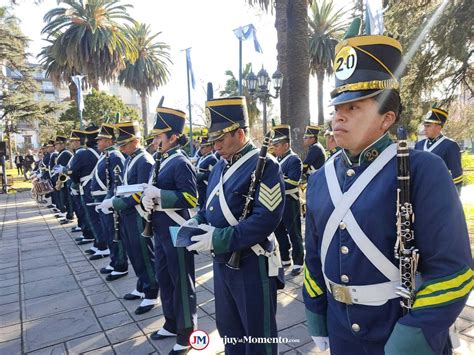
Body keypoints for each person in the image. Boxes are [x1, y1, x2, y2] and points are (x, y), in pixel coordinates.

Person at [303, 29, 472, 355]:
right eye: (338, 106)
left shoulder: (423, 169)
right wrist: (316, 312)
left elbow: (454, 273)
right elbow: (313, 260)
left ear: (387, 119)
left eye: (354, 107)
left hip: (399, 328)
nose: (339, 115)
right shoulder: (321, 178)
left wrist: (411, 336)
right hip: (341, 332)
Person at [183, 96, 285, 354]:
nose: (215, 145)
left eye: (220, 139)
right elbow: (209, 206)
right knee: (231, 332)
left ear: (239, 134)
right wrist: (197, 220)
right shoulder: (220, 165)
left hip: (252, 262)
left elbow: (266, 219)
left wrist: (218, 238)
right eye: (214, 141)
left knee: (257, 336)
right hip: (223, 263)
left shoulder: (266, 165)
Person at [141, 107, 198, 354]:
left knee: (182, 283)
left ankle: (187, 333)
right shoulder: (161, 160)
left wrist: (159, 195)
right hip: (162, 230)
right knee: (165, 278)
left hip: (177, 229)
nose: (155, 142)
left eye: (158, 137)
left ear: (173, 137)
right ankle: (171, 322)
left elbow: (191, 198)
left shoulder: (181, 162)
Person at [98, 121, 159, 315]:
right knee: (134, 253)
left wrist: (117, 203)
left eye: (125, 144)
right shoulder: (131, 158)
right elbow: (123, 185)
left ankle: (151, 291)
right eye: (120, 145)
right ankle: (141, 285)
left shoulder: (145, 160)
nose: (122, 148)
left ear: (136, 140)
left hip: (140, 215)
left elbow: (142, 192)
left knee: (144, 255)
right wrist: (113, 199)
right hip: (128, 215)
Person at [91, 123, 128, 281]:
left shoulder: (115, 156)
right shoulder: (106, 155)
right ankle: (114, 261)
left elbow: (117, 182)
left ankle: (120, 264)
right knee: (108, 233)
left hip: (110, 201)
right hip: (102, 201)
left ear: (109, 141)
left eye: (101, 139)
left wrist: (110, 200)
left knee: (115, 234)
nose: (97, 142)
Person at [271, 124, 304, 276]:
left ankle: (298, 262)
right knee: (279, 231)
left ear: (286, 145)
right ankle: (285, 258)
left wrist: (275, 181)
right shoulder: (276, 159)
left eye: (277, 145)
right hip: (277, 201)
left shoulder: (294, 160)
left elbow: (293, 183)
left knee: (294, 233)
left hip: (290, 201)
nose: (274, 148)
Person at [414, 107, 463, 194]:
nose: (425, 128)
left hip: (441, 194)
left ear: (439, 127)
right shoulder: (419, 145)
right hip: (420, 193)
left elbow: (457, 176)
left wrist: (453, 198)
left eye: (428, 126)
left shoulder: (450, 145)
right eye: (425, 125)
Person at [195, 133, 218, 207]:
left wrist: (201, 176)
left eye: (203, 147)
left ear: (210, 147)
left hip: (207, 186)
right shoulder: (201, 158)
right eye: (200, 147)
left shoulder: (212, 159)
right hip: (200, 187)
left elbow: (213, 174)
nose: (200, 150)